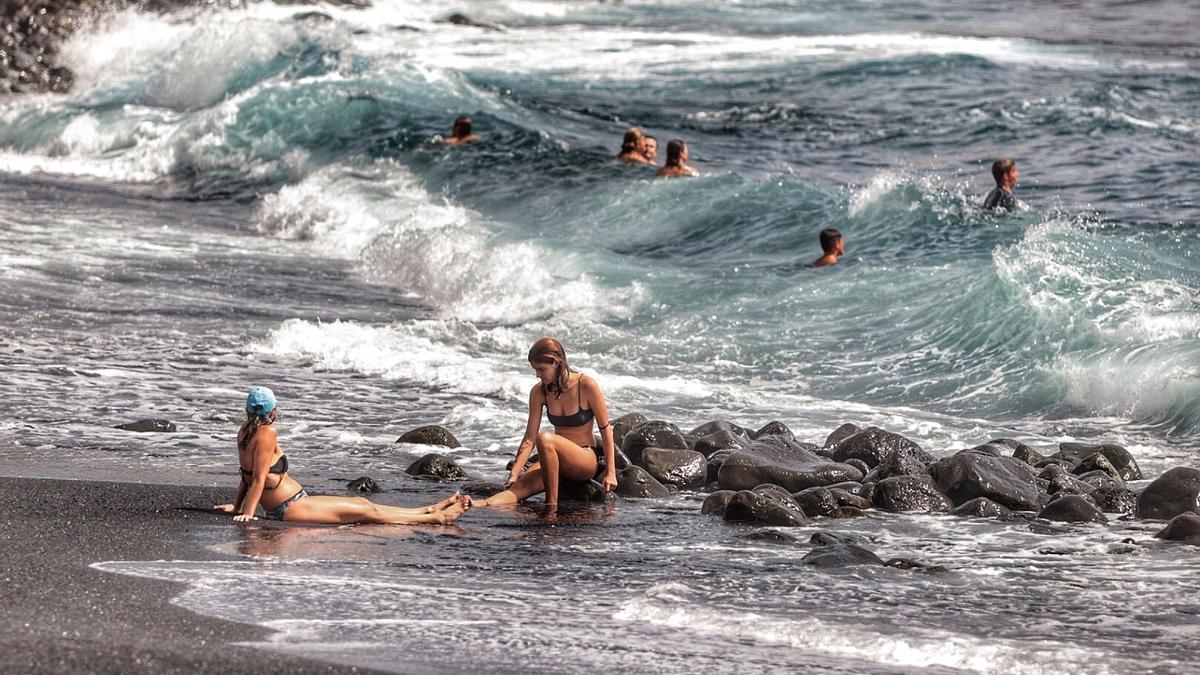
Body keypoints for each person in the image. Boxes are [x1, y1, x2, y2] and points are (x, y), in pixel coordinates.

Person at [215, 387, 468, 524]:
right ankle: (437, 517)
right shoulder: (267, 432)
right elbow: (257, 478)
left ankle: (429, 509)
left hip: (297, 501)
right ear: (271, 410)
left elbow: (245, 476)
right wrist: (247, 513)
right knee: (368, 513)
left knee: (363, 505)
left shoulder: (245, 431)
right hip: (289, 508)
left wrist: (238, 505)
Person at [472, 338, 618, 508]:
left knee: (545, 438)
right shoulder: (538, 392)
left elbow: (606, 430)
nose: (537, 375)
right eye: (535, 370)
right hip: (552, 459)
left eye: (541, 369)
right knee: (519, 488)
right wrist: (514, 473)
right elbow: (529, 438)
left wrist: (610, 472)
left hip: (584, 458)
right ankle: (477, 505)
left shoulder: (586, 385)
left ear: (557, 362)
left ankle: (551, 506)